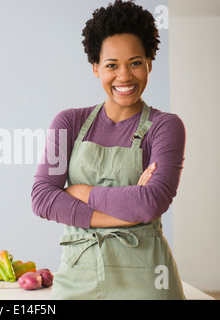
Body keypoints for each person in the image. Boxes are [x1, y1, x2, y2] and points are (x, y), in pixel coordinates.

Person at [31, 0, 186, 300]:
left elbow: (151, 202)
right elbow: (42, 198)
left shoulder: (166, 126)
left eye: (135, 62)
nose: (124, 76)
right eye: (112, 65)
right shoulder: (68, 123)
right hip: (78, 277)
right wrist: (126, 216)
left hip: (146, 280)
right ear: (95, 68)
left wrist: (82, 191)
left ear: (150, 64)